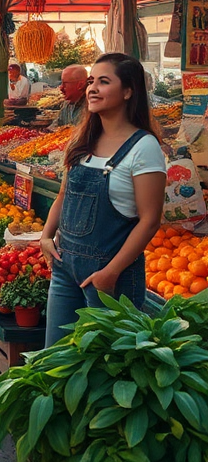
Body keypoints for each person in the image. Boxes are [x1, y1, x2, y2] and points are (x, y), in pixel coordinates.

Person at [41, 53, 166, 346]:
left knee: (105, 369)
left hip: (111, 278)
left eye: (104, 82)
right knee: (53, 359)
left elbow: (150, 221)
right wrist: (46, 236)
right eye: (91, 82)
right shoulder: (83, 140)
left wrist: (110, 273)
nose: (92, 89)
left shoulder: (144, 147)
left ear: (128, 91)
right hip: (65, 270)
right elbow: (63, 194)